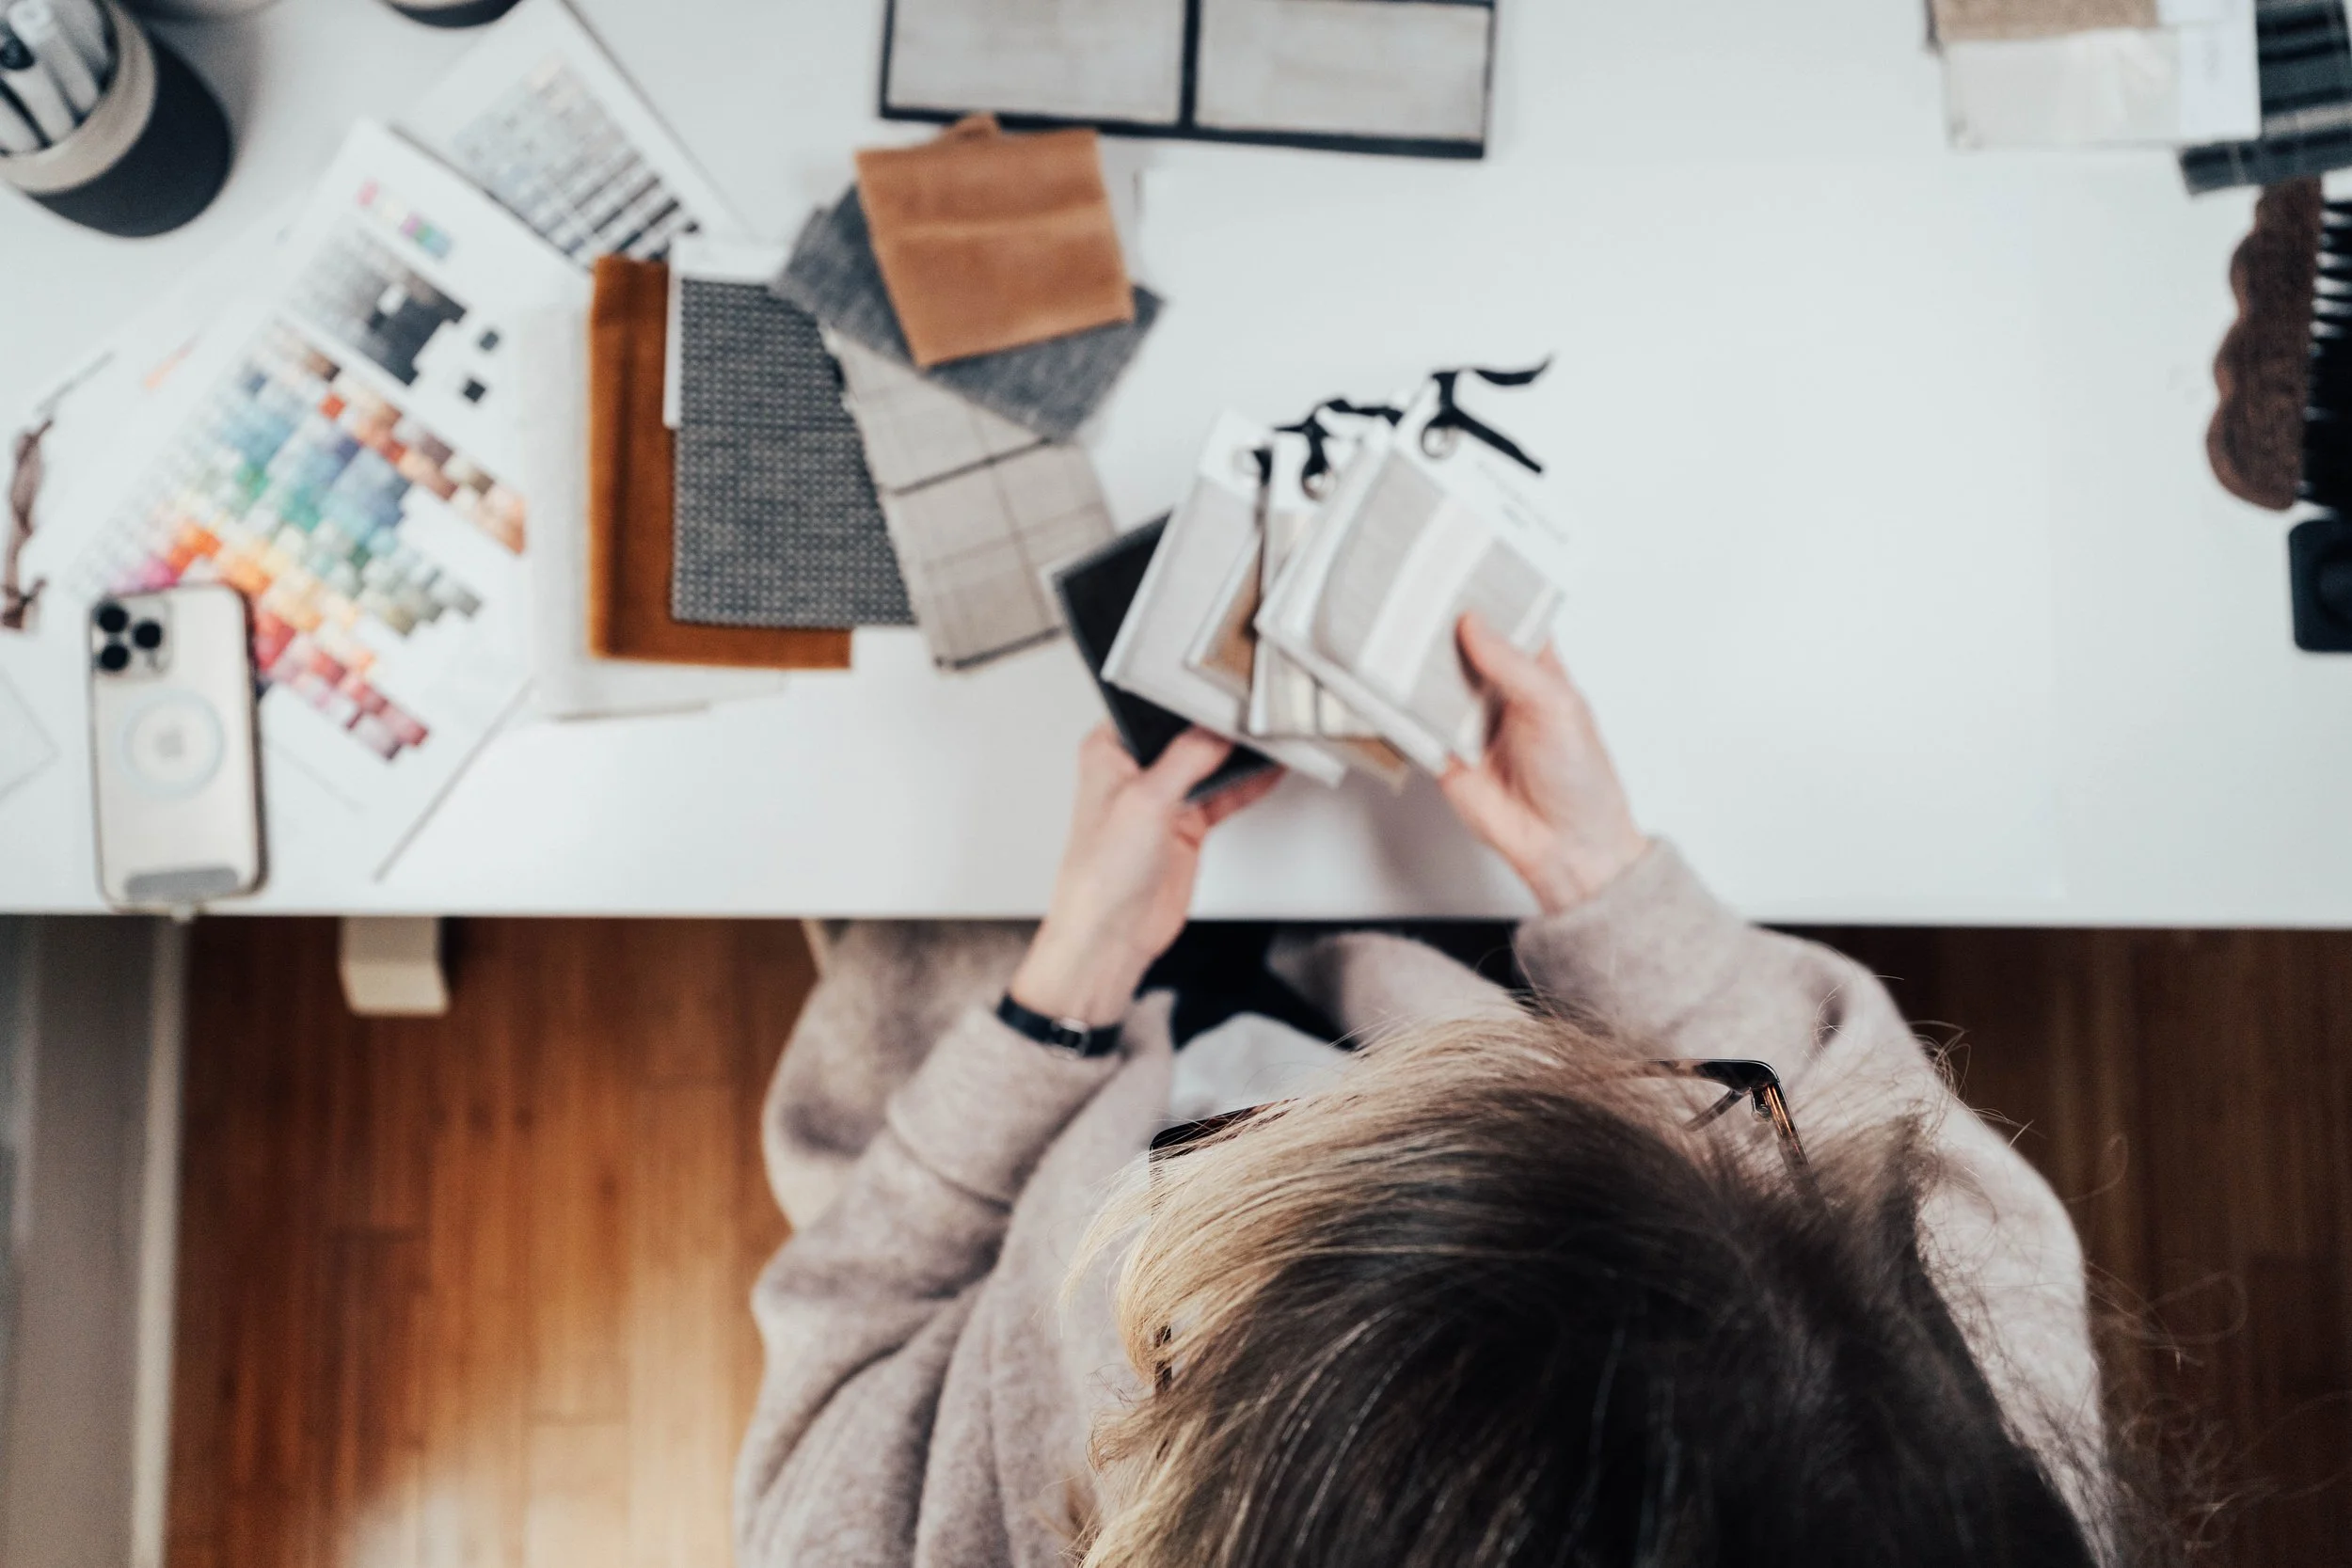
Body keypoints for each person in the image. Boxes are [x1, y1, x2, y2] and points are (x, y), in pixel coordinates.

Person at [734, 613, 2151, 1568]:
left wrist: (1056, 999)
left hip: (1031, 1079)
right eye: (1714, 1150)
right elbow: (1892, 1142)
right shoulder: (1960, 1445)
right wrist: (1611, 884)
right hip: (1473, 945)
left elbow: (854, 1320)